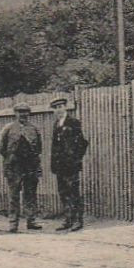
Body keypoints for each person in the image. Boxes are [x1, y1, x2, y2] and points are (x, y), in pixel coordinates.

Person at [0, 102, 43, 233]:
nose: (23, 114)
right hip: (14, 166)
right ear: (15, 114)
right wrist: (11, 159)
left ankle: (31, 220)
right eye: (20, 112)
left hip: (30, 165)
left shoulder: (34, 129)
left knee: (30, 193)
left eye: (25, 112)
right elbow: (2, 149)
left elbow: (39, 148)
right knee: (14, 195)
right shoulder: (8, 128)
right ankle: (13, 223)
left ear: (28, 114)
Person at [49, 96, 88, 232]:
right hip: (60, 166)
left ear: (65, 107)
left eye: (60, 107)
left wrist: (76, 159)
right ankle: (68, 219)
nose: (58, 110)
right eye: (55, 108)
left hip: (71, 166)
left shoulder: (73, 122)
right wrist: (53, 164)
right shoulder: (56, 124)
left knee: (73, 192)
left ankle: (78, 220)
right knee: (63, 193)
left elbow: (82, 143)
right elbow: (54, 147)